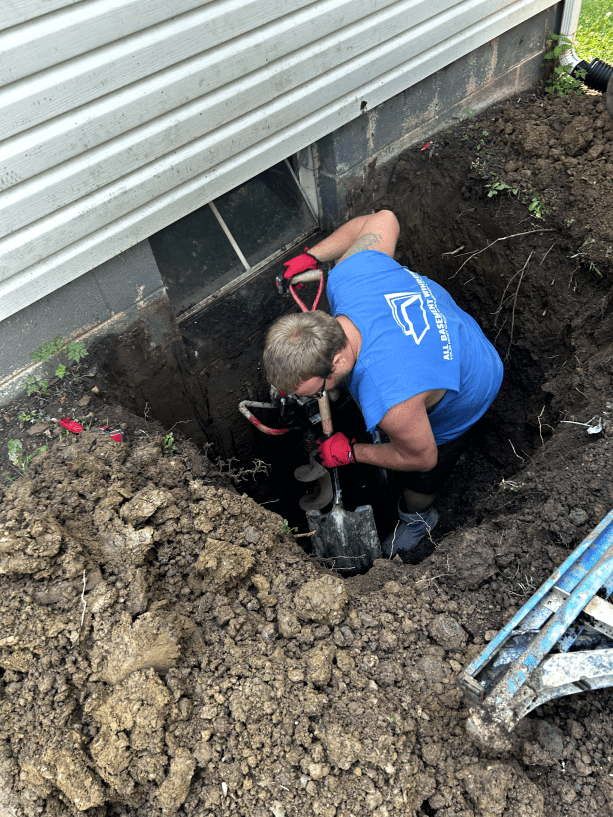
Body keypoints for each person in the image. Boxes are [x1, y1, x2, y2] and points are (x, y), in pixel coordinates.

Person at [263, 210, 503, 558]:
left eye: (315, 391)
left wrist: (351, 452)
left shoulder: (391, 400)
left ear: (337, 362)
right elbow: (385, 218)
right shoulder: (348, 275)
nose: (315, 398)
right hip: (455, 336)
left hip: (472, 383)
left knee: (419, 480)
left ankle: (418, 520)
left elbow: (422, 458)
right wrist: (313, 256)